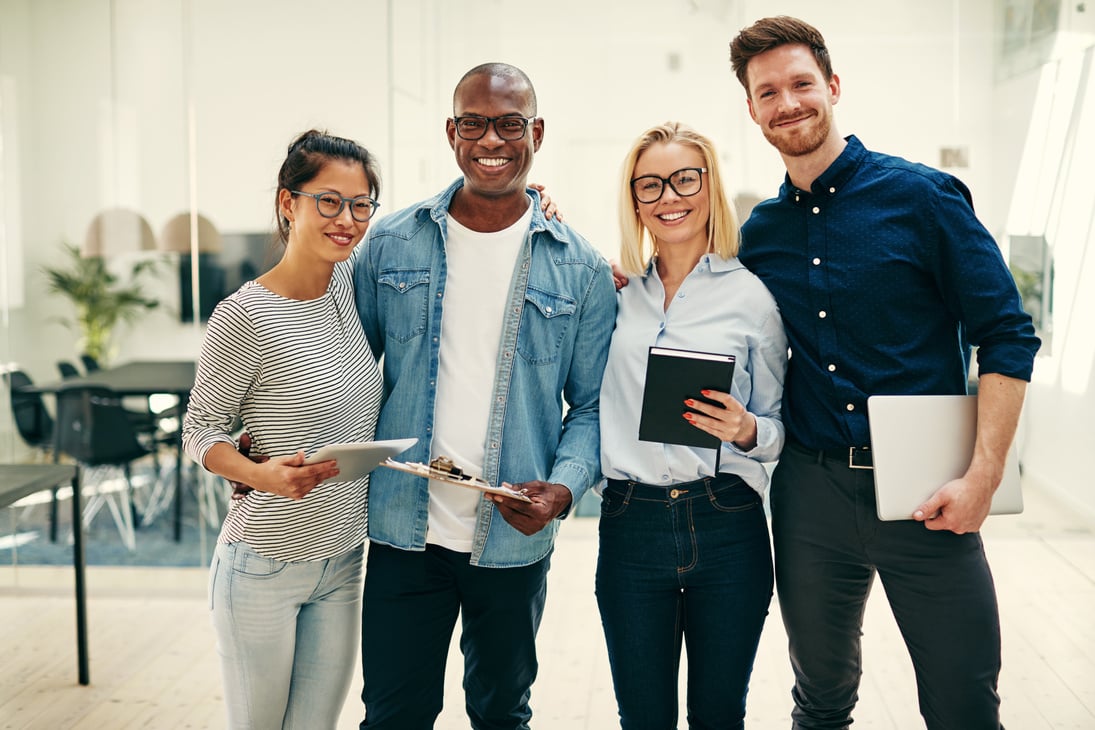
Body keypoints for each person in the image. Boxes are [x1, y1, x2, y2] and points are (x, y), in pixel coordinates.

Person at [725, 16, 1042, 729]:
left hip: (928, 489)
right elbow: (700, 303)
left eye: (801, 83)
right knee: (819, 701)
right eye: (766, 91)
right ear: (751, 109)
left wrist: (983, 476)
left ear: (831, 86)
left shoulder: (924, 198)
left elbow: (1005, 335)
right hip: (810, 493)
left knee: (964, 702)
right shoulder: (761, 236)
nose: (787, 103)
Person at [351, 62, 616, 729]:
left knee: (502, 714)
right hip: (402, 533)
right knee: (391, 715)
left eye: (508, 123)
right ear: (452, 131)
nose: (490, 139)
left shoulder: (579, 267)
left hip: (511, 538)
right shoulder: (389, 244)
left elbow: (589, 406)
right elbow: (344, 370)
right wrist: (267, 442)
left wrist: (563, 490)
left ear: (536, 132)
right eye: (474, 122)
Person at [182, 129, 384, 729]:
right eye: (328, 200)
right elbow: (200, 431)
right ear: (287, 202)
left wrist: (529, 200)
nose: (346, 219)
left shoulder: (351, 288)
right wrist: (257, 474)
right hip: (262, 565)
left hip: (343, 559)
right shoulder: (245, 314)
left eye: (360, 204)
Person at [596, 121, 787, 729]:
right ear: (634, 200)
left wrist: (747, 429)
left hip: (727, 522)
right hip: (632, 525)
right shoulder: (614, 295)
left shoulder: (753, 298)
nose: (669, 198)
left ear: (710, 186)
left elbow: (781, 427)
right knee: (642, 718)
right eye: (649, 185)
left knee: (719, 715)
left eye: (684, 179)